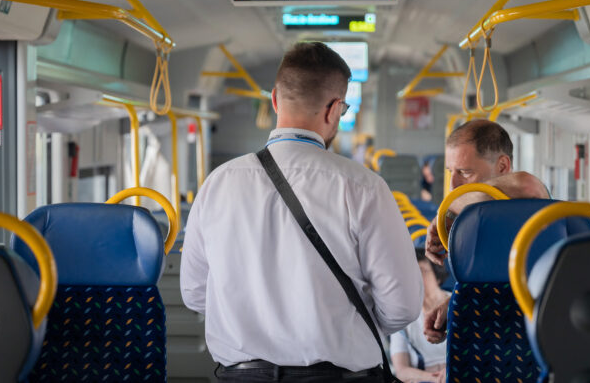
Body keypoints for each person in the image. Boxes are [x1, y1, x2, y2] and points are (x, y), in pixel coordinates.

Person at [180, 42, 422, 382]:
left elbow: (194, 294)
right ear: (335, 109)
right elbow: (403, 306)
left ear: (275, 100)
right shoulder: (364, 187)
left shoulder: (216, 184)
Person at [422, 119, 549, 344]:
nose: (453, 185)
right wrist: (454, 304)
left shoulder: (529, 206)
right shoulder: (475, 224)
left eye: (465, 172)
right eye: (451, 171)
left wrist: (450, 209)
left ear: (502, 166)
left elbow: (527, 184)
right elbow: (492, 285)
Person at [389, 249, 450, 383]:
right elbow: (401, 371)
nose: (416, 278)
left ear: (437, 276)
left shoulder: (456, 304)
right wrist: (434, 379)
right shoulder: (403, 317)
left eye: (422, 270)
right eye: (410, 274)